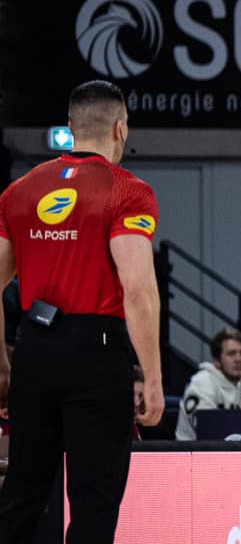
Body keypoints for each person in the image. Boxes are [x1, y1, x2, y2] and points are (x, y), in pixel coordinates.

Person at [0, 80, 164, 542]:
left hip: (33, 347)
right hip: (97, 350)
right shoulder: (129, 191)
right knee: (94, 501)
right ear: (120, 128)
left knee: (23, 494)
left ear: (70, 128)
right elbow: (138, 291)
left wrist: (1, 360)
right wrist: (151, 377)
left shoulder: (19, 191)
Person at [175, 327, 241, 440]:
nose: (238, 359)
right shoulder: (201, 383)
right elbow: (207, 431)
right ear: (217, 361)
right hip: (194, 453)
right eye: (231, 354)